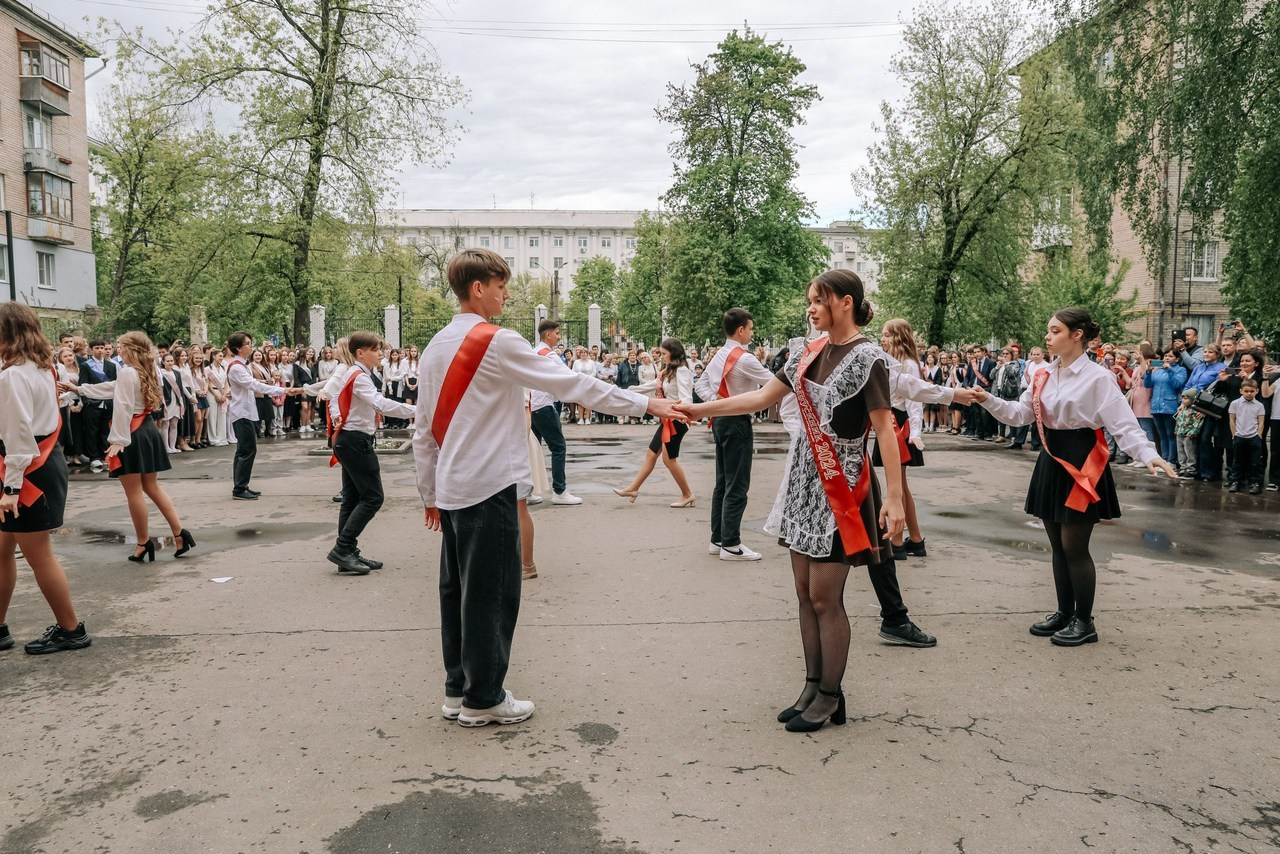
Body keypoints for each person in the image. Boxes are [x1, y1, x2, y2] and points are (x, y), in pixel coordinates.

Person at [414, 248, 681, 728]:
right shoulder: (497, 341)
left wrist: (430, 493)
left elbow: (421, 429)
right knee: (492, 596)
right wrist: (646, 407)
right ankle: (485, 698)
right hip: (489, 483)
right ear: (478, 288)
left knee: (456, 594)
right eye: (500, 286)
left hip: (453, 486)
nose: (507, 294)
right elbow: (571, 383)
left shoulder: (436, 345)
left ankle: (459, 689)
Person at [677, 270, 952, 733]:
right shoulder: (809, 352)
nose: (810, 308)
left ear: (844, 302)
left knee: (826, 597)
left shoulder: (870, 359)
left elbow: (885, 429)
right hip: (807, 477)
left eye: (817, 300)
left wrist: (897, 502)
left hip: (844, 482)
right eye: (809, 300)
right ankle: (813, 685)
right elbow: (761, 397)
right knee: (804, 593)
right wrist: (699, 409)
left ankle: (830, 695)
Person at [973, 308, 1177, 647]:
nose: (1047, 337)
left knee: (1074, 547)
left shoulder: (1098, 377)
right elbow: (1021, 413)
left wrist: (1149, 454)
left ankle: (1085, 621)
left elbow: (1123, 424)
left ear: (1076, 335)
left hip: (1084, 461)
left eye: (1054, 331)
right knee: (1056, 545)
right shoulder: (1041, 374)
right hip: (1052, 460)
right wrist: (988, 399)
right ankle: (1064, 612)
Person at [0, 303, 91, 654]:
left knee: (39, 555)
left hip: (25, 471)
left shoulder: (12, 376)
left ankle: (71, 629)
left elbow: (18, 433)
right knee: (3, 548)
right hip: (39, 462)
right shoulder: (43, 369)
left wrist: (11, 486)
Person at [75, 332, 196, 563]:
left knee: (134, 492)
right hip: (147, 429)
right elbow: (115, 389)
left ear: (131, 349)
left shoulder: (128, 371)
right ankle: (180, 534)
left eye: (121, 346)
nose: (118, 350)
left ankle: (143, 543)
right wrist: (80, 389)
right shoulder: (149, 370)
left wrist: (118, 440)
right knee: (152, 487)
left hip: (131, 431)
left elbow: (122, 405)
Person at [325, 332, 416, 573]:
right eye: (376, 350)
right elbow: (380, 403)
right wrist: (417, 410)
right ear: (360, 353)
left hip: (350, 439)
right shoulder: (359, 376)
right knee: (373, 497)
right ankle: (343, 548)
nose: (381, 353)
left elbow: (334, 397)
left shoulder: (355, 373)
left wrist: (337, 414)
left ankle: (347, 552)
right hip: (355, 441)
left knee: (352, 499)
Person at [874, 318, 964, 560]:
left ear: (899, 337)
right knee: (901, 486)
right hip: (891, 420)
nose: (882, 339)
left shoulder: (908, 364)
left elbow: (915, 402)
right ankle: (914, 539)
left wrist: (915, 433)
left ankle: (898, 542)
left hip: (898, 425)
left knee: (899, 487)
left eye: (886, 334)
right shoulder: (892, 361)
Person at [694, 308, 777, 561]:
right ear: (741, 330)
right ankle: (731, 544)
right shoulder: (746, 359)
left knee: (723, 483)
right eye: (750, 329)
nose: (751, 333)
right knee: (737, 484)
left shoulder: (720, 353)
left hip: (720, 420)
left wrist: (716, 402)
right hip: (737, 421)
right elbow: (775, 384)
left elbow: (700, 385)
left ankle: (718, 538)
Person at [613, 337, 697, 508]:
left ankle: (687, 494)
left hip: (676, 419)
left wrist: (683, 414)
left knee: (669, 460)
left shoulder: (682, 371)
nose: (661, 356)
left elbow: (686, 397)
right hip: (669, 418)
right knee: (651, 454)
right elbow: (653, 385)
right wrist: (628, 391)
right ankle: (633, 488)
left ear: (673, 353)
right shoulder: (668, 371)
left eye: (664, 353)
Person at [225, 332, 299, 500]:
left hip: (246, 412)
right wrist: (283, 390)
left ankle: (241, 485)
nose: (251, 347)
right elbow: (254, 385)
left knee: (245, 450)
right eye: (248, 344)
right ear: (238, 348)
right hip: (242, 413)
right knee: (247, 450)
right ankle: (239, 488)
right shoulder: (236, 367)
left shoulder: (242, 365)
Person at [528, 320, 581, 505]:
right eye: (557, 333)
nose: (559, 336)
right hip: (544, 405)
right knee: (558, 447)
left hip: (530, 406)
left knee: (532, 449)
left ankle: (528, 492)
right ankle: (560, 491)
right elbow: (568, 378)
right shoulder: (550, 355)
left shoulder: (533, 352)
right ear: (548, 335)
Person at [78, 338, 117, 469]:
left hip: (108, 403)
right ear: (91, 349)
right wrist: (87, 402)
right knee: (92, 430)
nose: (100, 351)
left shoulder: (111, 365)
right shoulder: (86, 365)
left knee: (105, 430)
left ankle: (103, 454)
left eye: (102, 348)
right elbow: (83, 384)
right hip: (93, 404)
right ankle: (94, 457)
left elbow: (114, 384)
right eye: (97, 348)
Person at [1145, 351, 1187, 465]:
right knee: (1162, 435)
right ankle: (1164, 459)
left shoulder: (1180, 370)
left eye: (1171, 356)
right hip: (1156, 405)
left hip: (1170, 406)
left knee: (1170, 434)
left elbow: (1177, 383)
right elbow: (1148, 384)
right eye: (1166, 356)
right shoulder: (1158, 371)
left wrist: (1170, 370)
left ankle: (1172, 460)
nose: (1167, 358)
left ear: (1177, 359)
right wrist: (1148, 371)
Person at [1228, 379, 1265, 493]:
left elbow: (1261, 422)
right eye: (1246, 391)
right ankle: (1235, 481)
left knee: (1255, 462)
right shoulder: (1235, 403)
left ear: (1256, 391)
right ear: (1241, 391)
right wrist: (1234, 434)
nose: (1249, 393)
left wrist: (1258, 435)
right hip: (1239, 436)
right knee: (1237, 461)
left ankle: (1255, 483)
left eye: (1252, 391)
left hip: (1253, 437)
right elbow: (1232, 420)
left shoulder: (1259, 405)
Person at [1174, 390, 1204, 478]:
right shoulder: (1182, 410)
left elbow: (1197, 424)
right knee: (1181, 451)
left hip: (1188, 436)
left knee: (1190, 452)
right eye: (1182, 398)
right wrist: (1176, 430)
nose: (1183, 400)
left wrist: (1192, 433)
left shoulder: (1195, 411)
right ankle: (1183, 467)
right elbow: (1178, 421)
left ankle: (1191, 469)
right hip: (1180, 434)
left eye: (1186, 398)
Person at [204, 349, 230, 446]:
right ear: (214, 356)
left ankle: (222, 437)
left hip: (223, 392)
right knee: (213, 416)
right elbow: (208, 383)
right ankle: (214, 439)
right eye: (219, 356)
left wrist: (224, 394)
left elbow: (226, 382)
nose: (221, 358)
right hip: (212, 393)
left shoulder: (224, 368)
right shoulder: (207, 369)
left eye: (222, 356)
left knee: (222, 415)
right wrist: (216, 395)